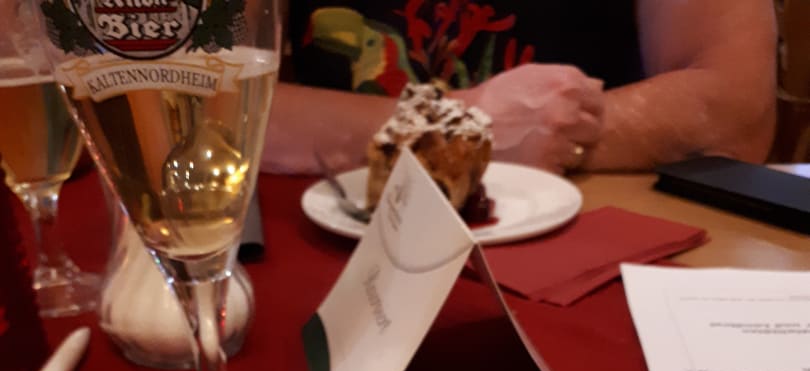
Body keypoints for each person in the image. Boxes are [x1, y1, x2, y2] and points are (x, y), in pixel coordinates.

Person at [262, 0, 777, 176]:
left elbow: (734, 109)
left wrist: (546, 131)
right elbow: (216, 101)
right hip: (340, 239)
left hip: (594, 255)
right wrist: (461, 134)